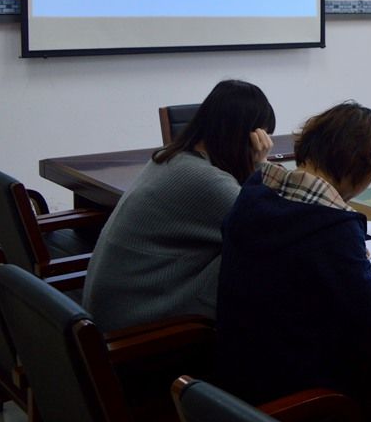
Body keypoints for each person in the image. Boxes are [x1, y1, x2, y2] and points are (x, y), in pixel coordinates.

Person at [216, 101, 371, 409]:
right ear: (361, 167)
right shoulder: (333, 225)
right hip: (301, 398)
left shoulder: (256, 190)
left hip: (237, 380)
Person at [83, 79, 275, 330]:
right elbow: (271, 227)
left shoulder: (172, 156)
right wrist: (258, 166)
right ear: (244, 138)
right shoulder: (205, 180)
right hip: (135, 325)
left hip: (114, 307)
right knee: (263, 261)